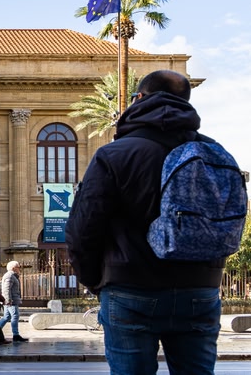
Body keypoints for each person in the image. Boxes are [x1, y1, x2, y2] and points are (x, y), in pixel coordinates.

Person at [66, 70, 224, 375]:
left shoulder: (114, 155)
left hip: (130, 288)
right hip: (199, 290)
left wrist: (96, 280)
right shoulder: (212, 153)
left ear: (138, 99)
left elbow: (82, 230)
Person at [0, 261, 28, 342]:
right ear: (14, 268)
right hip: (11, 300)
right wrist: (8, 300)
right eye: (18, 267)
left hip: (10, 300)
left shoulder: (12, 276)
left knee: (6, 317)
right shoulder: (10, 276)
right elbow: (6, 289)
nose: (19, 269)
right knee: (15, 315)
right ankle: (15, 335)